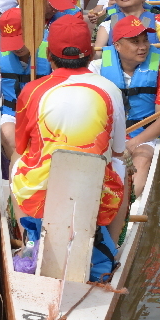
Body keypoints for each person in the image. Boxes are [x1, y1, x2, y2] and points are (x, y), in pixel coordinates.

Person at [10, 14, 126, 240]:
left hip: (42, 196)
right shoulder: (112, 90)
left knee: (17, 158)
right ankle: (111, 245)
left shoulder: (32, 90)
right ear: (91, 53)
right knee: (122, 165)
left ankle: (28, 240)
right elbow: (118, 151)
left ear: (47, 55)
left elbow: (22, 146)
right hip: (94, 193)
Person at [89, 16, 160, 195]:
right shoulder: (96, 69)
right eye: (135, 42)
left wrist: (132, 143)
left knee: (142, 158)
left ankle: (129, 206)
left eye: (145, 40)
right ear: (117, 46)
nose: (143, 46)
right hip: (108, 134)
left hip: (143, 135)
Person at [0, 8, 52, 163]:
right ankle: (18, 172)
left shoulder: (50, 53)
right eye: (12, 41)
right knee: (8, 134)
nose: (17, 48)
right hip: (13, 112)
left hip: (44, 112)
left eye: (21, 38)